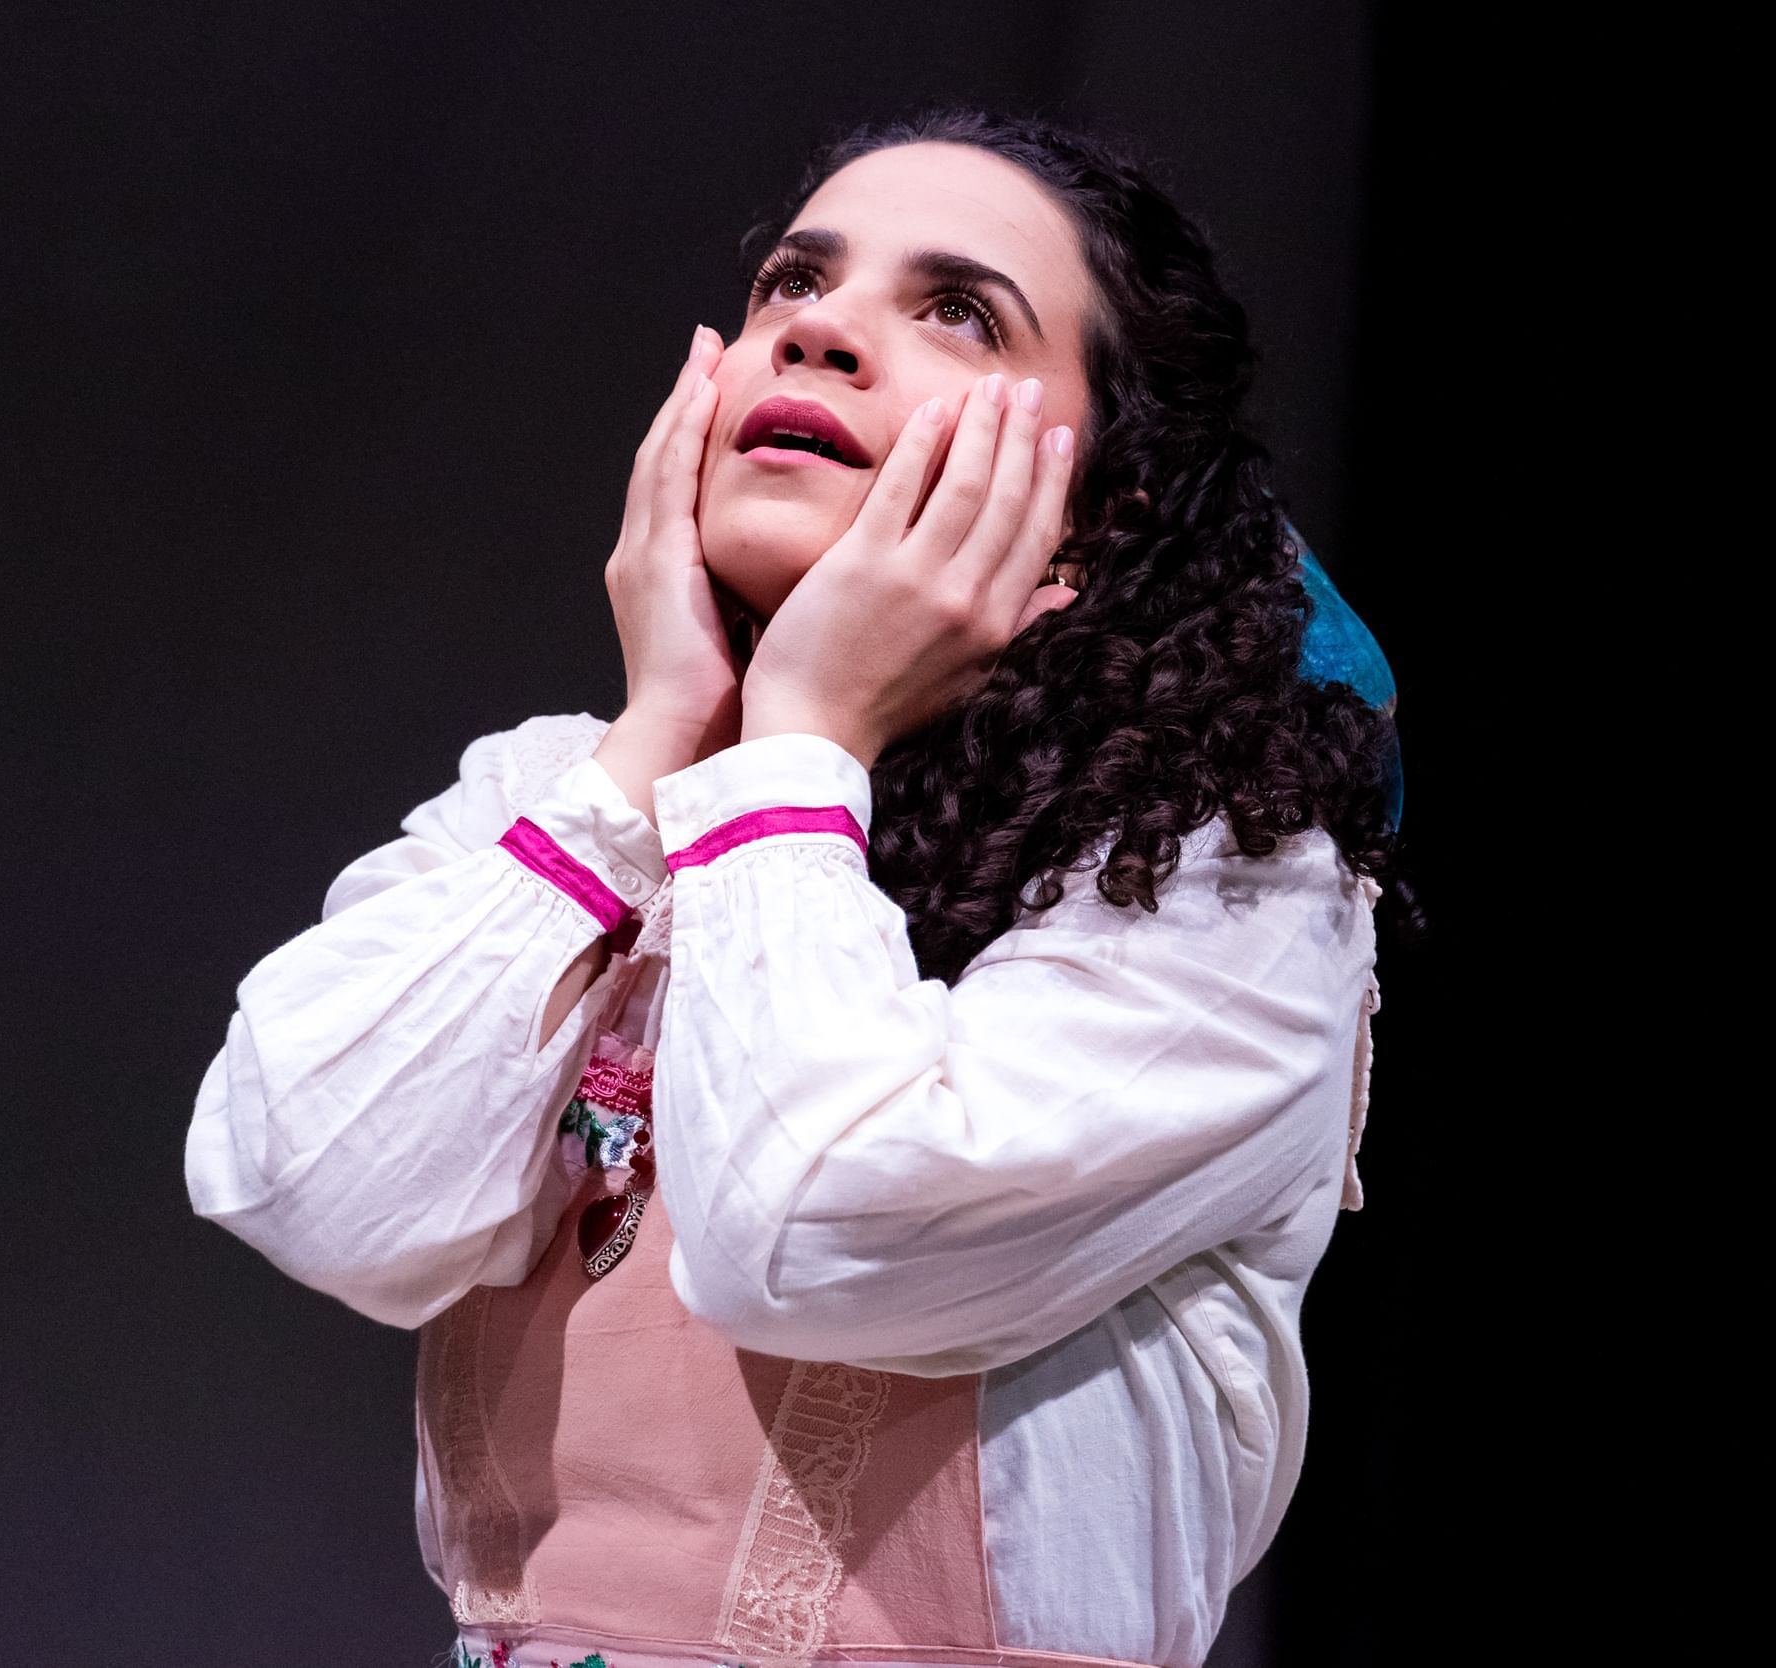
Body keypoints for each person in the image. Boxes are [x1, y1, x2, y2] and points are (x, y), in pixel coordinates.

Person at [184, 108, 1406, 1668]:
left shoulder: (1219, 875)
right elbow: (316, 1190)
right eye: (791, 283)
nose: (819, 329)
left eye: (957, 309)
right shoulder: (573, 791)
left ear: (1109, 502)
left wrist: (803, 738)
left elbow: (816, 1236)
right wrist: (658, 744)